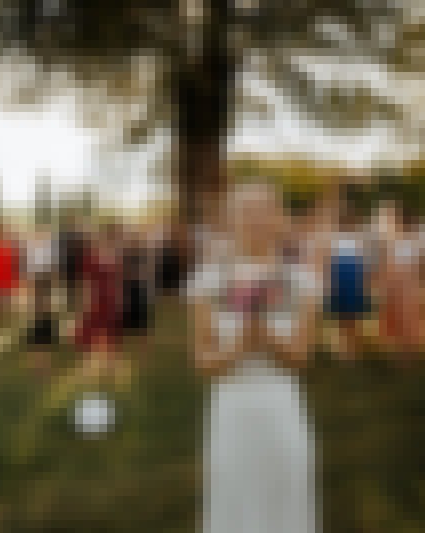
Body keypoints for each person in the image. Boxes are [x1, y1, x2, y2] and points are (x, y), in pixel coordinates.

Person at [187, 180, 321, 533]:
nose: (255, 219)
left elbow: (301, 359)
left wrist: (265, 337)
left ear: (280, 219)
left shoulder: (301, 280)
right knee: (235, 501)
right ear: (230, 220)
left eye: (264, 210)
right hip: (231, 408)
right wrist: (237, 347)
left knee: (285, 498)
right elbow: (202, 362)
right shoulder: (208, 280)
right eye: (245, 211)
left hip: (280, 405)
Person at [378, 203, 425, 370]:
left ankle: (407, 355)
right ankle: (404, 353)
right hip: (402, 285)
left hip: (404, 286)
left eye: (397, 219)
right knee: (399, 320)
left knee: (405, 320)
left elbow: (414, 266)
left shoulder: (409, 241)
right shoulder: (402, 240)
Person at [75, 223, 123, 369]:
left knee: (108, 325)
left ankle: (107, 358)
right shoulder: (92, 255)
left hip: (109, 295)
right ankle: (92, 359)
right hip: (97, 295)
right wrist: (86, 296)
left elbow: (118, 277)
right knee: (94, 324)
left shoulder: (115, 254)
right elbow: (86, 279)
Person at [325, 210, 370, 361]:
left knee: (352, 317)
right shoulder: (335, 239)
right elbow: (329, 263)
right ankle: (345, 347)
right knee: (342, 317)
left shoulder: (358, 239)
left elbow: (364, 263)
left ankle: (352, 346)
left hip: (351, 280)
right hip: (341, 280)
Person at [120, 227, 155, 357]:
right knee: (130, 317)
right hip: (130, 288)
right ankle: (133, 344)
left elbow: (146, 269)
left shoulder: (141, 252)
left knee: (140, 319)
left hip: (138, 288)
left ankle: (141, 345)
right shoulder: (127, 252)